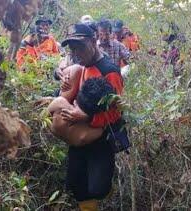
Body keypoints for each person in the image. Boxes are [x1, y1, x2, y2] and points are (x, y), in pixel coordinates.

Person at [56, 23, 124, 211]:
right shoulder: (83, 65)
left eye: (81, 47)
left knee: (98, 188)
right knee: (77, 185)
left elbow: (117, 111)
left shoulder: (109, 71)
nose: (76, 53)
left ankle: (105, 189)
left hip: (100, 139)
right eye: (73, 48)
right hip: (79, 137)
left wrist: (86, 117)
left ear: (94, 42)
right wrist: (59, 75)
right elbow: (64, 73)